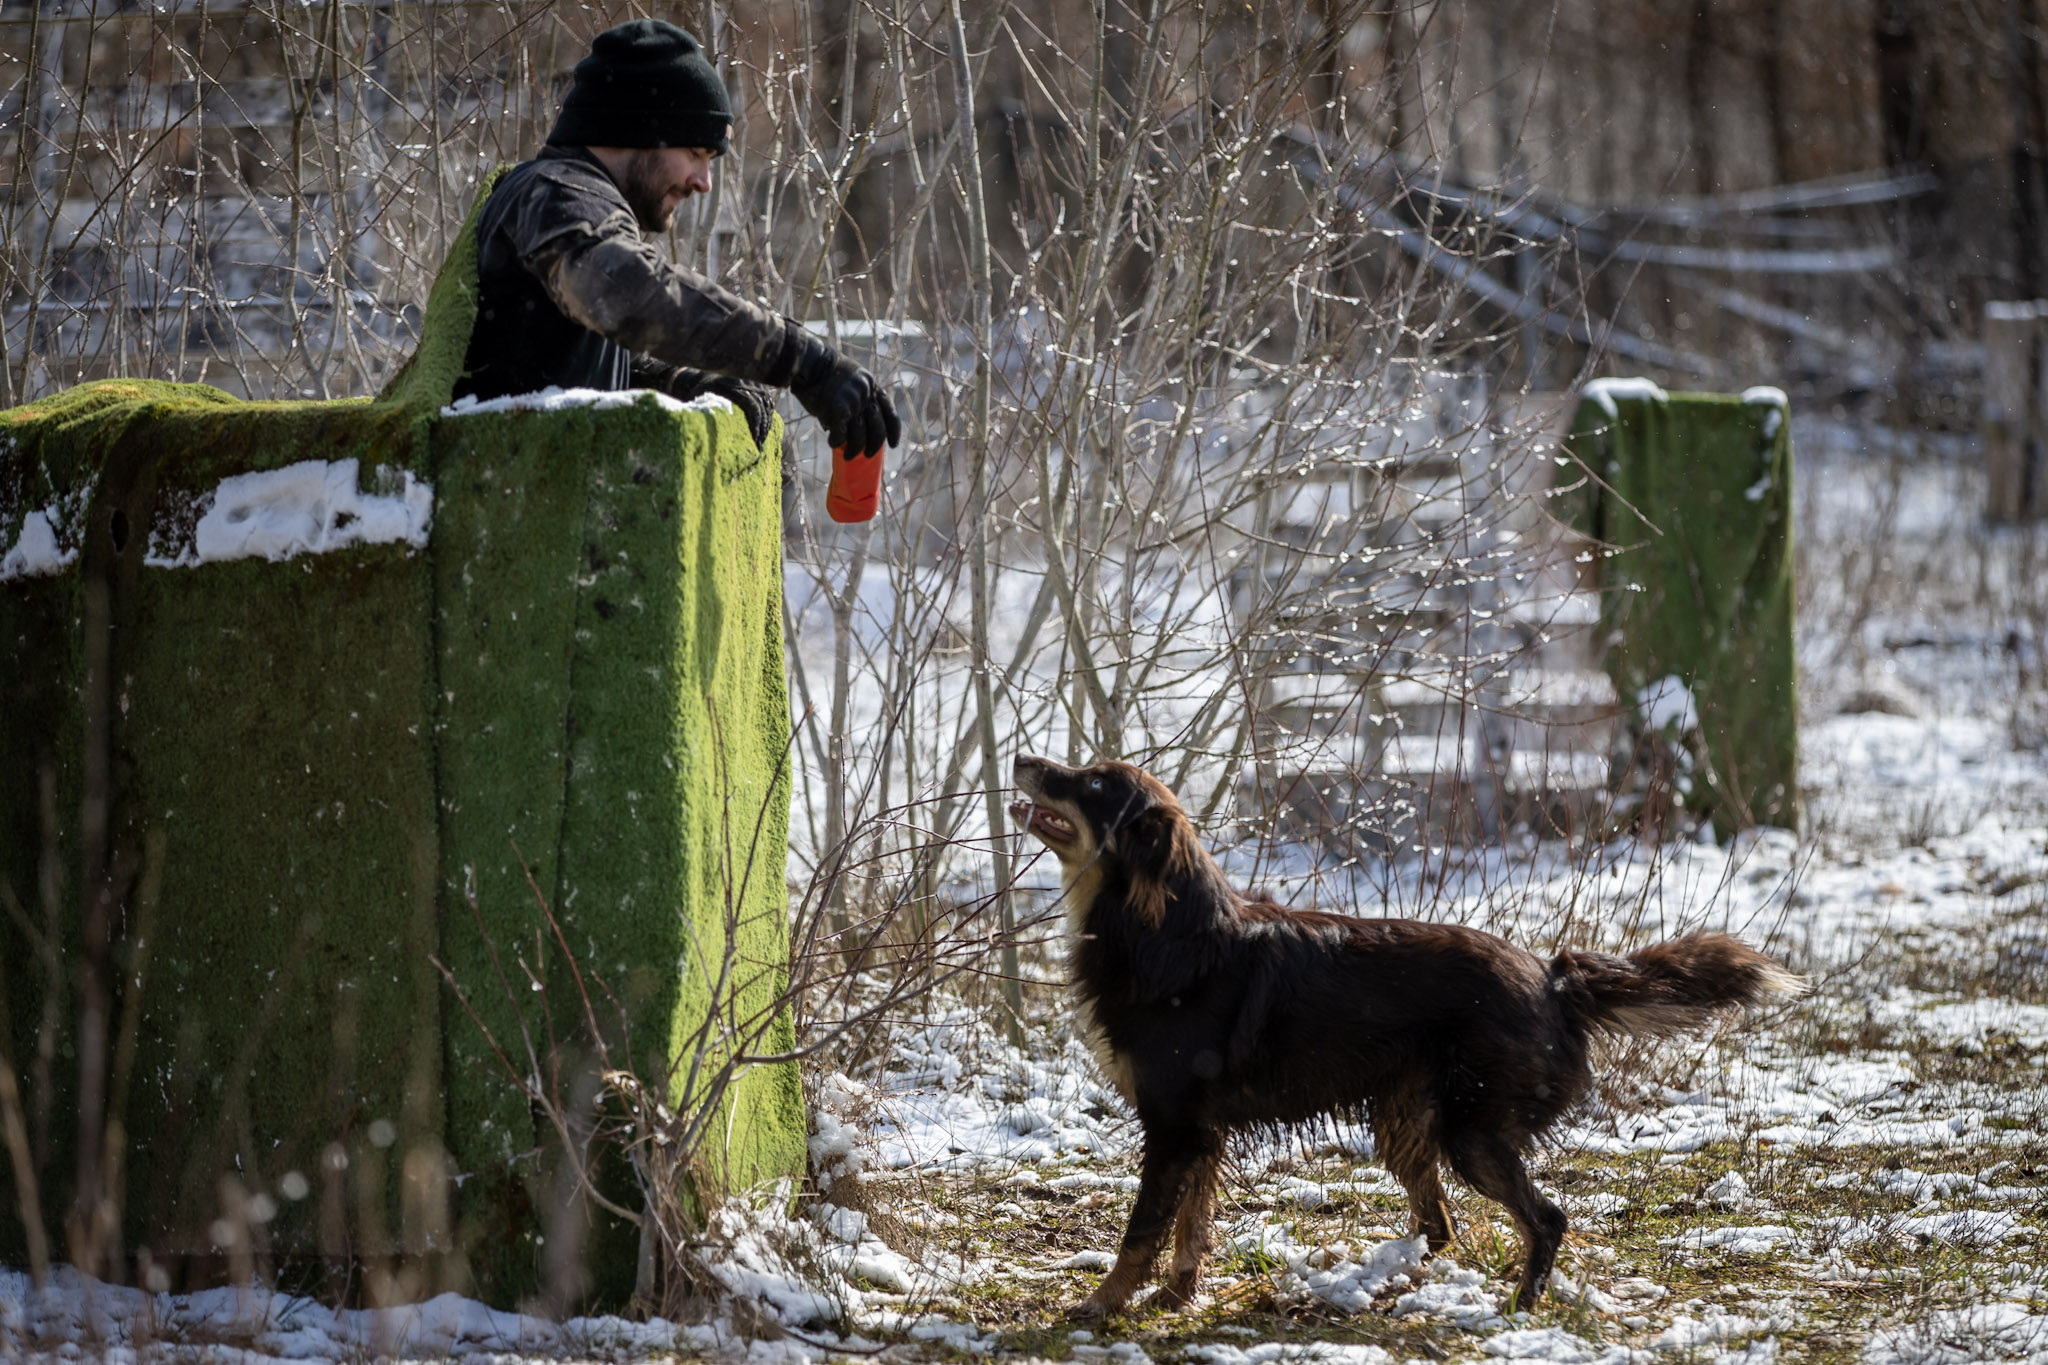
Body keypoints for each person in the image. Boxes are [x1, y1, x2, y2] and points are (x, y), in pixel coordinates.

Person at [454, 19, 900, 462]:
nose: (703, 181)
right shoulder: (558, 193)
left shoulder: (562, 199)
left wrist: (684, 383)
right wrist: (802, 360)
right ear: (635, 132)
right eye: (694, 153)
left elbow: (558, 362)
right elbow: (628, 297)